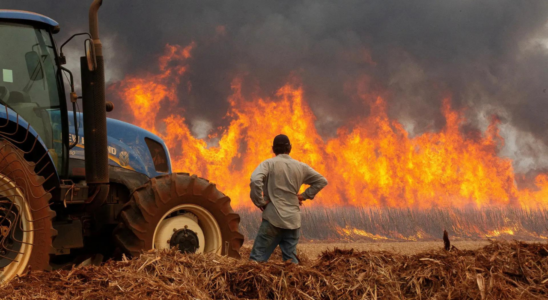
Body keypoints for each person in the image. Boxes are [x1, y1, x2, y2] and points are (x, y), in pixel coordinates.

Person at [249, 134, 328, 263]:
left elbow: (255, 180)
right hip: (293, 221)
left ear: (273, 149)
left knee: (256, 262)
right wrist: (304, 195)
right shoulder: (300, 166)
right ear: (290, 148)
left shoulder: (268, 164)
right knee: (292, 265)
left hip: (273, 219)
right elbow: (322, 181)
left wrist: (260, 202)